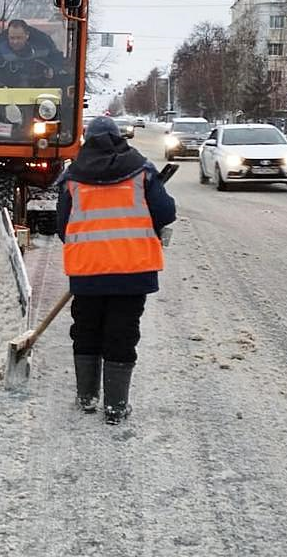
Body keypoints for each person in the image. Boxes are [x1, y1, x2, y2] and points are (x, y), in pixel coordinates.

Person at [56, 116, 176, 425]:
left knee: (87, 330)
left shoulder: (73, 178)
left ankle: (86, 397)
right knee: (122, 334)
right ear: (120, 139)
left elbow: (61, 227)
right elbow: (166, 211)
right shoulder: (142, 171)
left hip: (88, 271)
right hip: (132, 271)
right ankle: (116, 406)